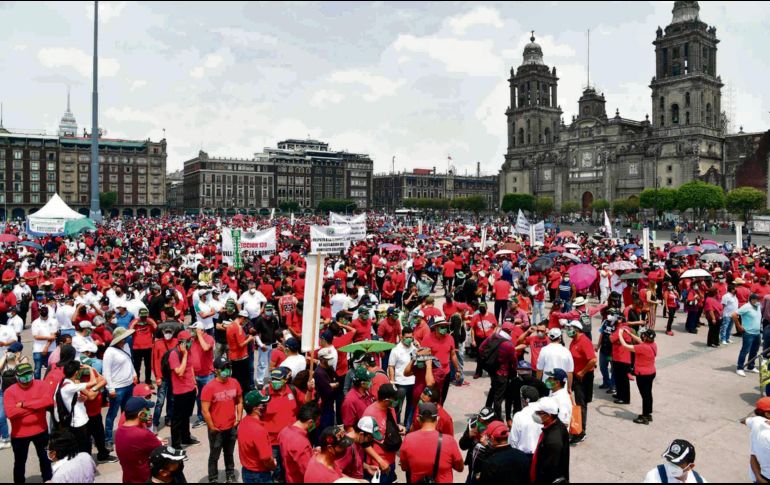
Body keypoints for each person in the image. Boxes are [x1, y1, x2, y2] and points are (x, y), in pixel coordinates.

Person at [3, 362, 54, 483]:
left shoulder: (41, 384)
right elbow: (11, 413)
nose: (26, 381)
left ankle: (48, 480)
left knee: (45, 459)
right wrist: (37, 406)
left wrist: (23, 405)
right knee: (20, 463)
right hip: (19, 435)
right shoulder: (9, 391)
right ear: (17, 377)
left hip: (41, 431)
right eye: (23, 377)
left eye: (29, 376)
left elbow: (48, 402)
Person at [201, 356, 243, 483]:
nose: (227, 370)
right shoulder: (209, 387)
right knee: (214, 455)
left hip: (231, 427)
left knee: (229, 453)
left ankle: (230, 475)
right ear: (216, 370)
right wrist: (212, 426)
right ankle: (213, 478)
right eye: (223, 368)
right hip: (217, 429)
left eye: (228, 367)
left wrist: (238, 418)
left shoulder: (235, 382)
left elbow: (240, 401)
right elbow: (205, 410)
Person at [400, 402, 464, 483]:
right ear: (437, 419)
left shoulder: (408, 440)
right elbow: (460, 468)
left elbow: (404, 467)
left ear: (418, 419)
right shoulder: (449, 441)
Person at [102, 326, 137, 447]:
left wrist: (134, 374)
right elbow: (106, 372)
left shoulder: (126, 347)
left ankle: (126, 435)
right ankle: (108, 439)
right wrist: (110, 389)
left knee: (127, 413)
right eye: (124, 339)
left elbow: (130, 362)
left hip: (129, 385)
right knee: (112, 414)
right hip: (117, 388)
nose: (126, 340)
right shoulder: (109, 352)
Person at [114, 396, 162, 483]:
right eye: (147, 409)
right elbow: (160, 449)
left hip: (128, 478)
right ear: (140, 414)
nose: (149, 412)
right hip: (145, 479)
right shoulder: (143, 434)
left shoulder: (119, 431)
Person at [362, 383, 403, 484]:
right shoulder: (370, 414)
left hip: (391, 460)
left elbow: (388, 425)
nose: (397, 401)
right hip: (378, 464)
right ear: (386, 400)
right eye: (394, 398)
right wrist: (380, 460)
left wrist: (398, 428)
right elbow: (364, 443)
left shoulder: (390, 409)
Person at [619, 328, 658, 425]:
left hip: (643, 375)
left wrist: (620, 334)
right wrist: (630, 334)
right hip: (651, 373)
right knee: (648, 394)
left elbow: (625, 346)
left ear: (646, 337)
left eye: (644, 335)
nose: (642, 336)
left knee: (645, 396)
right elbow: (639, 340)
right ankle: (648, 414)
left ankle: (644, 417)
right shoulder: (653, 345)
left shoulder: (643, 347)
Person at [566, 320, 596, 444]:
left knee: (580, 404)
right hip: (575, 376)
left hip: (583, 377)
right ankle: (574, 426)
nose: (568, 331)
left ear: (577, 329)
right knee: (573, 402)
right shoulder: (574, 340)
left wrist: (582, 372)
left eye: (570, 329)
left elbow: (593, 360)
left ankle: (581, 432)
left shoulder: (584, 342)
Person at [168, 330, 199, 449]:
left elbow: (190, 367)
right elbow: (179, 372)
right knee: (177, 419)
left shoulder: (188, 350)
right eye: (189, 340)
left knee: (187, 415)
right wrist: (184, 355)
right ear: (181, 342)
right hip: (180, 391)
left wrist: (194, 383)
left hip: (190, 388)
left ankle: (186, 437)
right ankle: (176, 445)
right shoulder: (174, 354)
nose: (191, 341)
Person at [238, 390, 277, 483]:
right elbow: (266, 458)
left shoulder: (243, 422)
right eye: (263, 404)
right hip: (260, 476)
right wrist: (273, 465)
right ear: (256, 409)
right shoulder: (258, 430)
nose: (266, 406)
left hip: (247, 471)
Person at [530, 396, 570, 484]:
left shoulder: (553, 441)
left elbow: (549, 471)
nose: (535, 414)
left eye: (538, 413)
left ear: (548, 416)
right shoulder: (555, 424)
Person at [277, 402, 320, 483]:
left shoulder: (283, 431)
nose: (317, 425)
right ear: (310, 422)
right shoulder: (301, 442)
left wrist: (311, 452)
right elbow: (308, 472)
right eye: (317, 422)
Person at [387, 327, 416, 428]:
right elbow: (391, 366)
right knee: (398, 407)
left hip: (413, 382)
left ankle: (407, 426)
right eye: (407, 337)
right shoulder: (396, 350)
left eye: (411, 337)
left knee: (411, 406)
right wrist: (392, 381)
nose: (409, 339)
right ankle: (397, 425)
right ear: (402, 337)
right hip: (400, 383)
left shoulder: (414, 347)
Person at [458, 406, 495, 484]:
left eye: (483, 422)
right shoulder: (473, 424)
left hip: (486, 470)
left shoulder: (496, 430)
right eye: (479, 420)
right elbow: (462, 446)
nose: (480, 423)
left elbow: (498, 455)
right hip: (472, 468)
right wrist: (468, 436)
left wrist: (487, 445)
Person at [642, 439, 707, 483]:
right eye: (670, 460)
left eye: (678, 463)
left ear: (690, 466)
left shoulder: (698, 481)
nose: (672, 465)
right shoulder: (654, 477)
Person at [189, 321, 215, 429]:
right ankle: (201, 418)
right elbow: (189, 359)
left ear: (200, 330)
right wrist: (192, 377)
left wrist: (199, 335)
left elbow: (205, 348)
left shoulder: (209, 338)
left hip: (207, 375)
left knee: (210, 398)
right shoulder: (192, 340)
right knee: (199, 398)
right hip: (196, 375)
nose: (192, 332)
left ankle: (213, 417)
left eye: (194, 330)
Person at [536, 327, 574, 391]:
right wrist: (569, 388)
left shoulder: (544, 350)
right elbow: (570, 372)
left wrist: (538, 385)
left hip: (547, 385)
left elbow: (539, 370)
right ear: (560, 338)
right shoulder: (566, 351)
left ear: (549, 337)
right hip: (561, 387)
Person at [510, 386, 543, 457]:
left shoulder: (519, 416)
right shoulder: (544, 414)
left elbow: (513, 440)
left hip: (523, 456)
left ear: (524, 401)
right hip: (540, 455)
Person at [736, 293, 763, 377]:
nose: (758, 301)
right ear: (751, 300)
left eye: (758, 300)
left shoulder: (758, 306)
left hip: (757, 333)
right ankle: (739, 368)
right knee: (745, 350)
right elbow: (734, 314)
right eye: (756, 300)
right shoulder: (746, 306)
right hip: (748, 333)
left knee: (754, 350)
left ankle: (750, 366)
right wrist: (739, 326)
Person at [129, 307, 157, 386]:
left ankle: (148, 381)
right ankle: (136, 381)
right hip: (137, 347)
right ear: (139, 315)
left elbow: (157, 331)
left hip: (148, 347)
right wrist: (134, 324)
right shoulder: (134, 321)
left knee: (148, 365)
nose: (144, 318)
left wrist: (153, 323)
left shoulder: (150, 321)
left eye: (145, 316)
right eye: (142, 316)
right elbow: (129, 332)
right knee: (136, 366)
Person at [342, 366, 375, 432]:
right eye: (369, 380)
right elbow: (349, 428)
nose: (371, 382)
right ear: (362, 384)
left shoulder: (367, 393)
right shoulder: (349, 401)